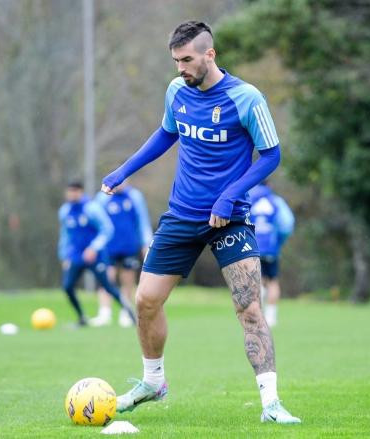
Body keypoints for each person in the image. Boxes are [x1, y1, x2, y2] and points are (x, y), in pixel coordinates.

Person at [100, 21, 301, 424]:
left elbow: (272, 155)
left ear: (210, 55)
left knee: (248, 307)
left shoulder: (247, 98)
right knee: (145, 301)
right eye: (176, 61)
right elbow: (165, 134)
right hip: (182, 215)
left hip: (231, 220)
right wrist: (124, 171)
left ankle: (271, 404)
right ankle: (153, 382)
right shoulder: (177, 91)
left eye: (187, 60)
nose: (181, 69)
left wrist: (229, 196)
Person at [57, 181, 136, 327]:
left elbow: (107, 229)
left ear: (81, 192)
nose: (72, 194)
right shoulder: (65, 211)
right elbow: (65, 235)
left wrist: (94, 247)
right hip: (76, 256)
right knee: (67, 286)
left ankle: (131, 315)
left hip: (95, 256)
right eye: (70, 191)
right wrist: (64, 255)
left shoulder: (91, 208)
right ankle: (82, 317)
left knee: (109, 287)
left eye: (75, 191)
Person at [90, 183, 154, 327]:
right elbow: (95, 223)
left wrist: (146, 244)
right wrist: (95, 245)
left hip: (129, 246)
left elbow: (142, 221)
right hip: (108, 247)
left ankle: (126, 312)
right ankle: (104, 313)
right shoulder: (102, 198)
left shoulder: (135, 196)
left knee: (128, 280)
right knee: (107, 279)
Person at [248, 182, 295, 328]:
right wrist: (278, 241)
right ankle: (271, 317)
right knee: (273, 281)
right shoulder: (276, 201)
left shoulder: (248, 198)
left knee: (257, 280)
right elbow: (287, 223)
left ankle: (257, 314)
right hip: (270, 248)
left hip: (252, 246)